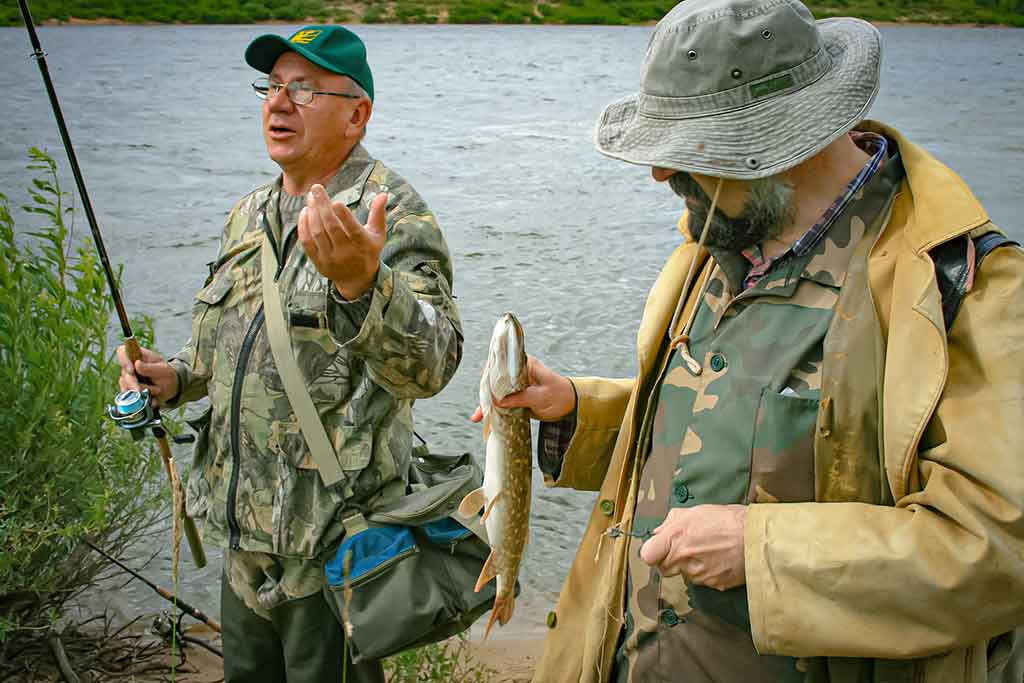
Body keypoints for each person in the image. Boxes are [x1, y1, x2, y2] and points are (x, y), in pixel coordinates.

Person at [483, 0, 1024, 680]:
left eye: (690, 151)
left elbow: (997, 549)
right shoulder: (717, 236)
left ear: (783, 148)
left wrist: (759, 549)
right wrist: (577, 408)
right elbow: (723, 419)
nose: (659, 175)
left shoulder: (964, 286)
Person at [117, 25, 462, 682]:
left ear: (356, 114)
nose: (278, 103)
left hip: (333, 552)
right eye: (272, 86)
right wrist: (174, 377)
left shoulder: (390, 212)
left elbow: (432, 365)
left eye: (303, 88)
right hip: (244, 545)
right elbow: (218, 347)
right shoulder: (247, 215)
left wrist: (366, 284)